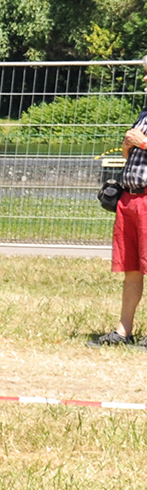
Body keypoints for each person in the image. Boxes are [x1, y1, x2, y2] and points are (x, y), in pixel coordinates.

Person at [104, 83, 147, 345]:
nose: (145, 81)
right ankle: (123, 331)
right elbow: (126, 153)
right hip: (130, 198)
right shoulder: (144, 113)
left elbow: (139, 144)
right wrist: (129, 144)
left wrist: (140, 141)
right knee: (131, 267)